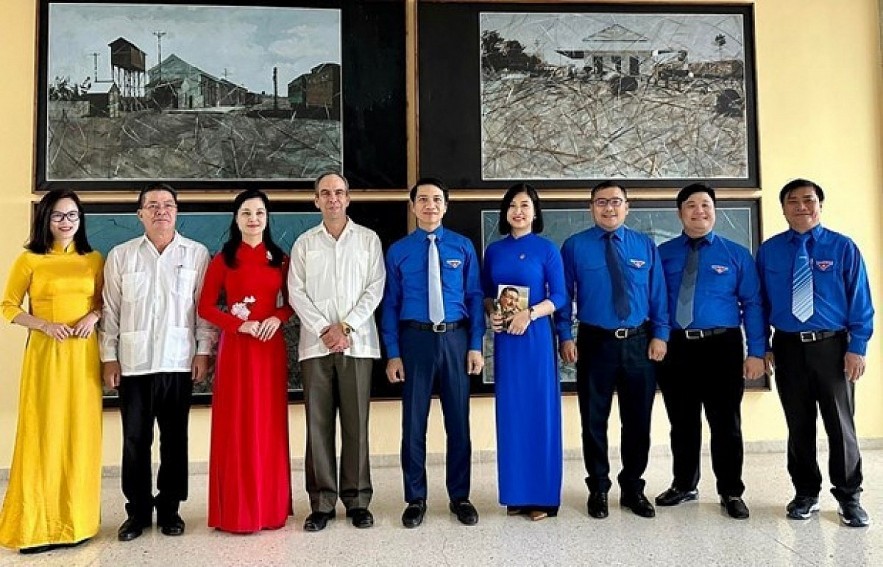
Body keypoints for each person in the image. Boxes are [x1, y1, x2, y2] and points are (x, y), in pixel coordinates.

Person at [101, 183, 217, 541]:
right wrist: (109, 357)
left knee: (174, 439)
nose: (161, 211)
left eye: (167, 204)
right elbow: (110, 311)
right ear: (140, 214)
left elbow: (204, 309)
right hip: (133, 364)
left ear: (177, 212)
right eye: (152, 205)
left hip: (178, 360)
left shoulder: (196, 254)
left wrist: (203, 349)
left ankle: (170, 509)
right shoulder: (121, 255)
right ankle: (136, 512)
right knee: (135, 439)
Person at [756, 179, 874, 527]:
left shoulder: (843, 247)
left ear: (820, 205)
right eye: (792, 201)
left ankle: (849, 497)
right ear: (783, 209)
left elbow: (861, 301)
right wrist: (760, 345)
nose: (801, 206)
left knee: (841, 425)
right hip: (788, 347)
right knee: (799, 424)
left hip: (833, 347)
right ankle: (805, 492)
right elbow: (758, 303)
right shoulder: (770, 250)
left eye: (809, 200)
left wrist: (857, 347)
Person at [556, 180, 669, 520]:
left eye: (616, 202)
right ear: (591, 207)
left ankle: (633, 487)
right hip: (595, 341)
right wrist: (564, 335)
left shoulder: (644, 245)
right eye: (601, 202)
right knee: (594, 419)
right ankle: (599, 489)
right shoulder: (575, 246)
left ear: (627, 207)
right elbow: (564, 296)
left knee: (638, 420)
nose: (609, 208)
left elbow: (658, 294)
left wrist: (660, 334)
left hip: (639, 340)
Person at [0, 190, 103, 554]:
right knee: (42, 433)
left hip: (82, 355)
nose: (66, 222)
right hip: (45, 355)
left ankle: (77, 523)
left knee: (79, 433)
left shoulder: (93, 260)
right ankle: (35, 528)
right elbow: (8, 306)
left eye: (73, 215)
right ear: (45, 219)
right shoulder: (30, 260)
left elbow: (103, 302)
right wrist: (43, 325)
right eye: (58, 216)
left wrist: (93, 316)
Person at [655, 183, 765, 520]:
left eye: (706, 205)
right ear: (680, 213)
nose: (699, 211)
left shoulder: (736, 254)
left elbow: (753, 303)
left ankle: (731, 490)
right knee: (682, 422)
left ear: (715, 211)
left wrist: (757, 351)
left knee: (725, 422)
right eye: (691, 205)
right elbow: (655, 302)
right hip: (677, 347)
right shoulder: (663, 254)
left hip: (723, 346)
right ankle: (684, 484)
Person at [382, 177, 485, 528]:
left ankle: (460, 496)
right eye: (422, 199)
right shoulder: (398, 250)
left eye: (436, 199)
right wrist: (393, 353)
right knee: (413, 424)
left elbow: (474, 297)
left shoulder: (463, 246)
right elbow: (391, 304)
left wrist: (475, 345)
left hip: (455, 340)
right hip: (415, 341)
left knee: (458, 423)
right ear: (412, 207)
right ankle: (416, 498)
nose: (430, 205)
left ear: (446, 205)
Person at [288, 172, 385, 532]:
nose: (333, 199)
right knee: (318, 426)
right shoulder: (304, 244)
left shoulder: (368, 240)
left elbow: (375, 288)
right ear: (316, 200)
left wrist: (345, 327)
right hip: (316, 347)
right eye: (325, 193)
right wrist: (324, 330)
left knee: (357, 425)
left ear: (348, 198)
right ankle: (322, 503)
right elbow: (296, 292)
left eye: (339, 193)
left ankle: (358, 500)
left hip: (357, 344)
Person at [197, 189, 293, 533]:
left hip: (269, 349)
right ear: (236, 219)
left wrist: (277, 318)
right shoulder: (223, 260)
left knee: (268, 423)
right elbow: (205, 307)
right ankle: (236, 511)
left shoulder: (280, 259)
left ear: (267, 218)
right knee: (237, 424)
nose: (253, 219)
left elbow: (291, 303)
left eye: (260, 213)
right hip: (236, 350)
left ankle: (269, 509)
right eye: (246, 213)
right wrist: (240, 324)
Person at [482, 183, 566, 521]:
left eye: (526, 205)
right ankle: (516, 494)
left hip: (535, 340)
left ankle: (543, 497)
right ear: (505, 211)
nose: (519, 211)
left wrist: (529, 314)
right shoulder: (494, 250)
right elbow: (487, 293)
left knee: (539, 412)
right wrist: (493, 313)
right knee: (511, 413)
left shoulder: (547, 250)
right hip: (506, 341)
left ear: (535, 212)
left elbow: (559, 296)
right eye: (513, 205)